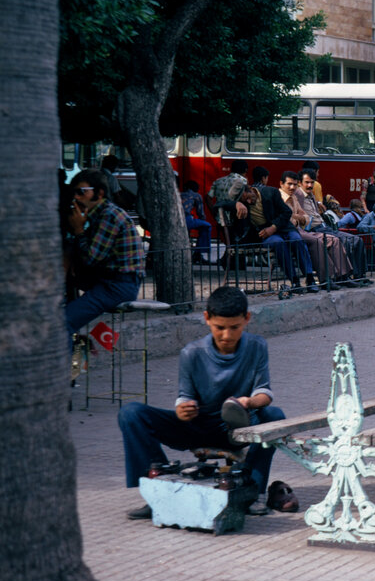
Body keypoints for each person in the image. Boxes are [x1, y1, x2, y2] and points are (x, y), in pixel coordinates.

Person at [118, 286, 293, 519]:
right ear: (207, 319)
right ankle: (158, 488)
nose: (227, 336)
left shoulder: (257, 346)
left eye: (235, 327)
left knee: (275, 416)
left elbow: (265, 392)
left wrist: (249, 402)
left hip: (236, 428)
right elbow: (184, 396)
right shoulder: (192, 353)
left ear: (247, 319)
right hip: (196, 427)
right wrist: (183, 411)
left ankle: (254, 490)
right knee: (131, 413)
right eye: (219, 328)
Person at [64, 169, 146, 333]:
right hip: (107, 279)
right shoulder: (97, 215)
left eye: (82, 192)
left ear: (99, 193)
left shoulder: (109, 215)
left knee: (63, 322)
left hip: (118, 285)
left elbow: (91, 257)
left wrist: (78, 229)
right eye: (75, 193)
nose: (77, 198)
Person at [230, 177, 317, 290]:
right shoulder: (242, 203)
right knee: (278, 243)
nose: (248, 202)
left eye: (248, 198)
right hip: (266, 234)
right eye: (243, 201)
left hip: (283, 227)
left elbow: (286, 212)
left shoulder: (271, 192)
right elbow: (220, 203)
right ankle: (294, 280)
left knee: (296, 240)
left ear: (251, 189)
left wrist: (273, 227)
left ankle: (310, 278)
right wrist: (237, 204)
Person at [279, 170, 352, 284]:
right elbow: (288, 218)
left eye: (294, 184)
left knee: (334, 240)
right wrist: (298, 218)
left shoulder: (293, 198)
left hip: (301, 229)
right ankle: (326, 279)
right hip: (292, 231)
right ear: (281, 184)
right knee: (318, 241)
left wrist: (298, 217)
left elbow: (305, 217)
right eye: (289, 184)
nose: (292, 187)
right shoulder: (280, 197)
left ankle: (343, 276)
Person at [300, 170, 368, 283]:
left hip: (324, 226)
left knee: (358, 240)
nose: (310, 185)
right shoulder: (299, 196)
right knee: (346, 241)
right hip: (314, 229)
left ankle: (360, 275)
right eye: (307, 182)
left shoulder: (311, 196)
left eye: (312, 182)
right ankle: (345, 277)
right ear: (300, 183)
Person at [208, 159, 249, 229]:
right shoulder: (243, 181)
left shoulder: (218, 181)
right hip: (234, 219)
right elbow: (245, 198)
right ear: (245, 170)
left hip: (219, 218)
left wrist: (214, 211)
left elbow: (208, 197)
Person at [181, 180, 213, 265]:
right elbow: (200, 213)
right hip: (187, 219)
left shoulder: (179, 194)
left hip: (177, 219)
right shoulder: (196, 196)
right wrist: (202, 219)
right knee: (206, 226)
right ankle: (199, 252)